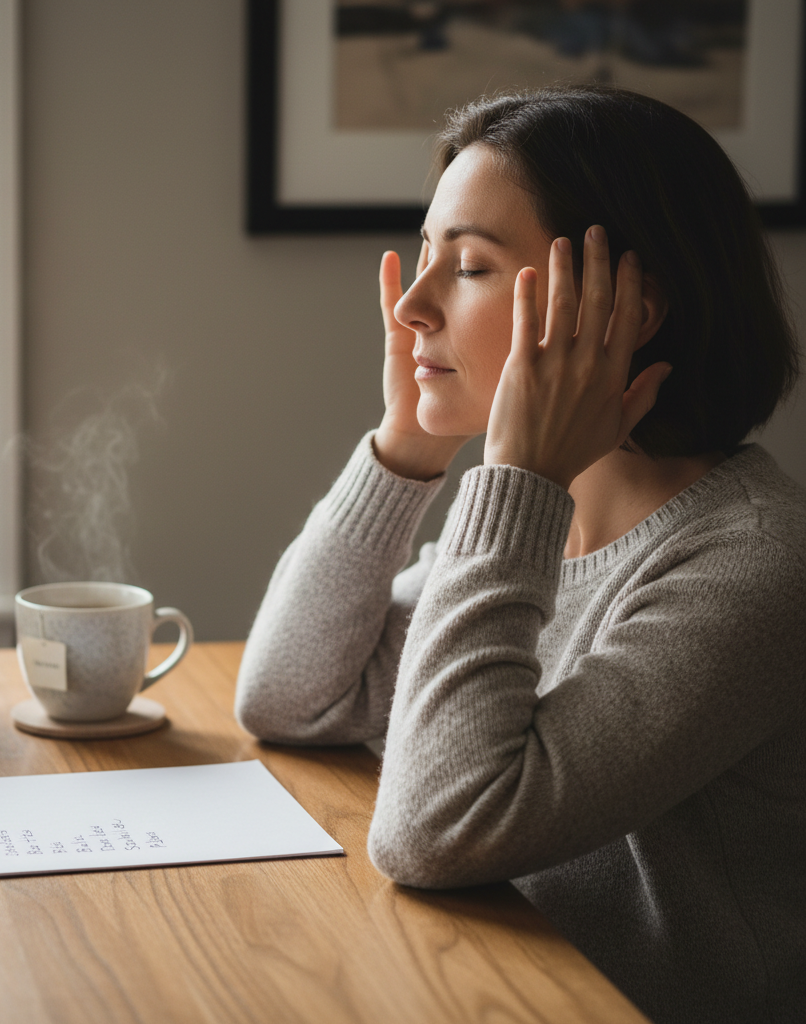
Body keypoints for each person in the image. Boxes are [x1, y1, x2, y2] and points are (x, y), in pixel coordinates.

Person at [234, 87, 805, 1024]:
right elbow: (290, 696)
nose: (412, 308)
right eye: (424, 260)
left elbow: (436, 828)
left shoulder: (753, 567)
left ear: (624, 311)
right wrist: (406, 447)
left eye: (468, 267)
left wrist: (517, 480)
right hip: (488, 985)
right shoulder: (549, 523)